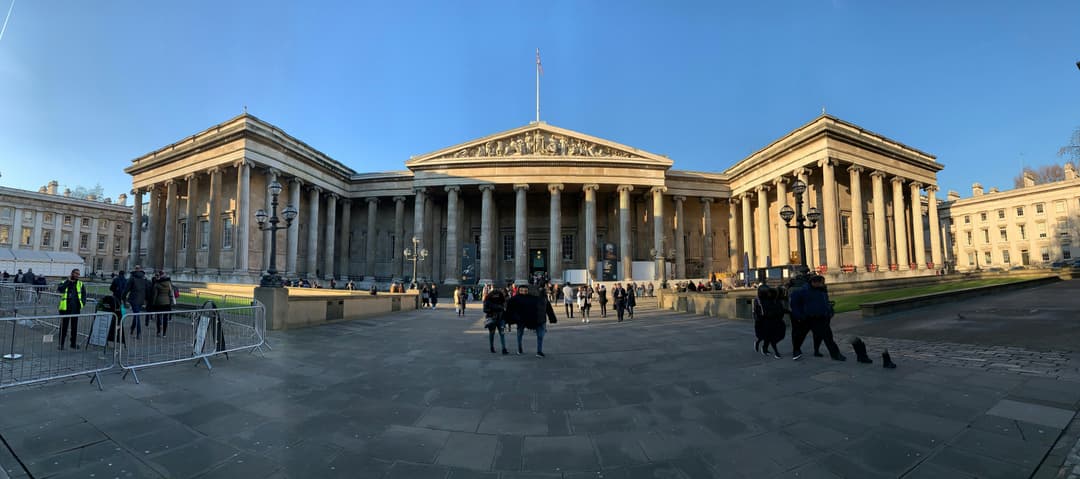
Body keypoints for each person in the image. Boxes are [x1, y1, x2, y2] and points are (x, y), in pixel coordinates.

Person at [789, 274, 844, 361]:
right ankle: (796, 350)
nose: (823, 284)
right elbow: (794, 305)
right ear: (814, 282)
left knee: (828, 337)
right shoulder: (801, 291)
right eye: (821, 283)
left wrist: (829, 312)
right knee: (800, 336)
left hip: (821, 318)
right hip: (807, 318)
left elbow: (826, 303)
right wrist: (799, 316)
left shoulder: (822, 291)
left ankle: (835, 354)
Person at [505, 284, 557, 357]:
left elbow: (547, 307)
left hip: (532, 319)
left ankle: (533, 350)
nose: (523, 292)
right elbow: (510, 309)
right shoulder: (539, 298)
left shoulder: (536, 298)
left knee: (523, 334)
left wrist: (509, 319)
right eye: (521, 291)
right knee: (536, 336)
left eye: (525, 291)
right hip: (531, 319)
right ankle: (532, 351)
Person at [753, 285, 787, 359]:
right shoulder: (759, 300)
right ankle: (776, 353)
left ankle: (762, 346)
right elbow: (759, 312)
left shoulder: (772, 298)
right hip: (764, 321)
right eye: (767, 292)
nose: (769, 293)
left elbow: (778, 304)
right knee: (770, 337)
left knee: (771, 336)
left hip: (774, 320)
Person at [57, 268, 86, 350]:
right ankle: (61, 344)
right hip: (65, 308)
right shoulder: (64, 282)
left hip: (75, 308)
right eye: (76, 273)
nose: (77, 275)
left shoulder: (80, 284)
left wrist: (82, 304)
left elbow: (84, 295)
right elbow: (60, 290)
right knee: (64, 327)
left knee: (74, 327)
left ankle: (73, 343)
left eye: (78, 274)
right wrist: (68, 281)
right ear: (72, 273)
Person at [123, 266, 151, 339]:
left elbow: (126, 289)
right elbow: (147, 291)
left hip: (134, 299)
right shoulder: (144, 279)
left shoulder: (132, 278)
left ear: (135, 270)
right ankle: (132, 328)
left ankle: (139, 332)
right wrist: (147, 300)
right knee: (136, 313)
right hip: (141, 300)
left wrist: (123, 297)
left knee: (137, 315)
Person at [483, 287, 509, 354]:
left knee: (500, 333)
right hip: (493, 318)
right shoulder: (488, 298)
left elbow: (504, 307)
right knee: (493, 334)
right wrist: (495, 308)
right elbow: (485, 309)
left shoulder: (500, 297)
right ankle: (493, 347)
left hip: (500, 318)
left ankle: (503, 348)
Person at [149, 270, 175, 337]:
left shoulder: (157, 284)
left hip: (159, 303)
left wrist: (153, 304)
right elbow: (171, 293)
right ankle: (164, 333)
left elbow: (155, 295)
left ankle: (158, 332)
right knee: (165, 318)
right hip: (167, 303)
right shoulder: (169, 284)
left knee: (159, 318)